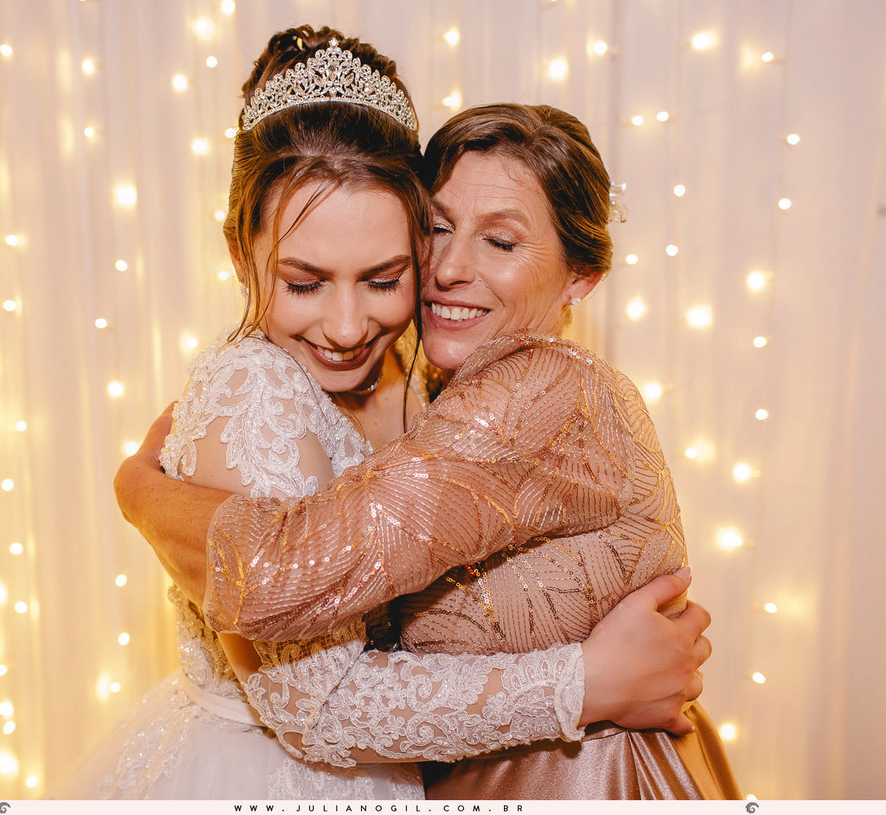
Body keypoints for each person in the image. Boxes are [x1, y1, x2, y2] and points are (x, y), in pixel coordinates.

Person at [56, 27, 697, 800]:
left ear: (579, 277)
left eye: (384, 276)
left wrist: (141, 491)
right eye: (304, 282)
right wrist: (585, 680)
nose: (349, 324)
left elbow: (284, 571)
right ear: (239, 254)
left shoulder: (498, 384)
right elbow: (316, 701)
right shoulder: (267, 391)